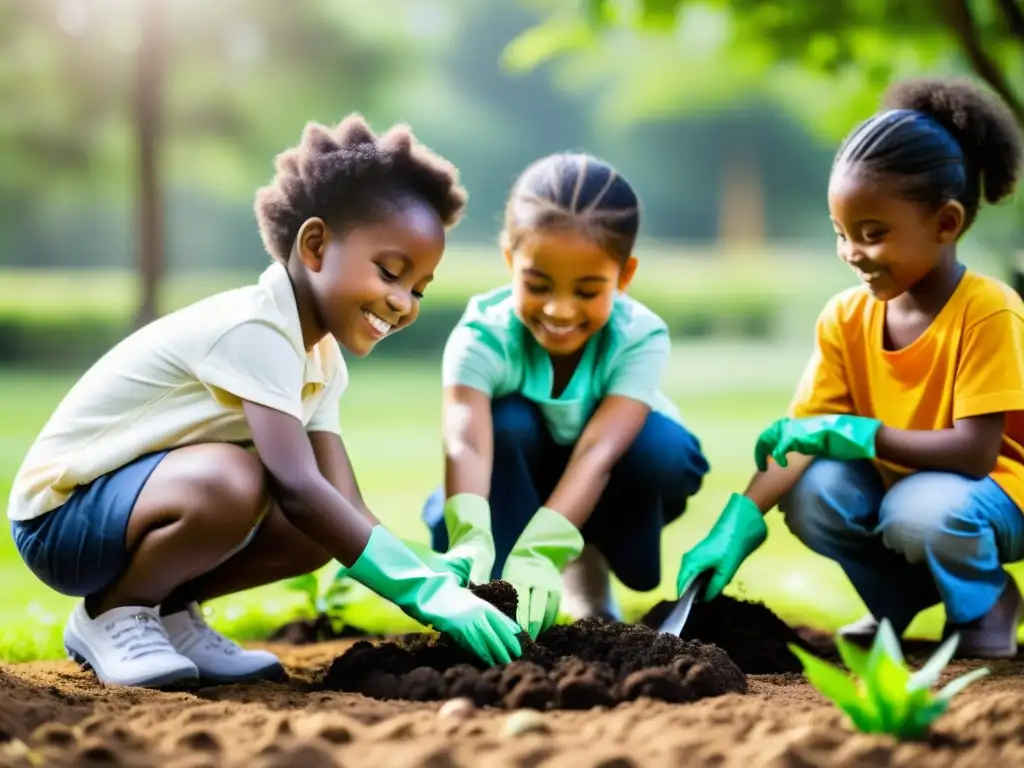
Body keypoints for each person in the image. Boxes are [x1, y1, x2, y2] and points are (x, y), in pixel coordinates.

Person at [8, 115, 523, 688]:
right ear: (316, 244)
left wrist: (425, 571)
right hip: (60, 520)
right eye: (390, 273)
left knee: (317, 530)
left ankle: (171, 614)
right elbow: (298, 487)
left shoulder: (319, 361)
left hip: (128, 508)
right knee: (239, 481)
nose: (403, 302)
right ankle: (112, 614)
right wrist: (421, 596)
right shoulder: (255, 327)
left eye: (419, 288)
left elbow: (339, 501)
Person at [676, 77, 1024, 658]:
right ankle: (898, 602)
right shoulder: (846, 316)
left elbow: (976, 452)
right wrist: (736, 522)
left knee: (917, 510)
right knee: (815, 492)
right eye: (842, 233)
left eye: (873, 234)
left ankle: (987, 602)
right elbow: (804, 433)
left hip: (994, 495)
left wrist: (861, 435)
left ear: (946, 223)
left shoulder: (987, 310)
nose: (852, 253)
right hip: (910, 496)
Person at [421, 152, 710, 639]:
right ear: (510, 260)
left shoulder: (640, 336)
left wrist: (544, 548)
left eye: (587, 290)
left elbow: (600, 451)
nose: (559, 309)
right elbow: (465, 441)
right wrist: (470, 534)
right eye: (538, 284)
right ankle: (501, 592)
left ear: (625, 275)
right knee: (509, 419)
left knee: (663, 449)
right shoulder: (481, 336)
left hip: (610, 477)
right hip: (509, 476)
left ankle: (586, 558)